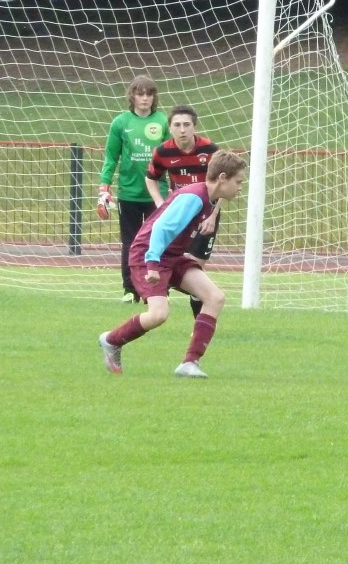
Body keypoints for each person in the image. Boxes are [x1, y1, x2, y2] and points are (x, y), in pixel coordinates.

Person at [97, 149, 248, 379]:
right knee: (158, 314)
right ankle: (111, 340)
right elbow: (160, 228)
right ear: (222, 178)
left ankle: (190, 363)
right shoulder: (194, 198)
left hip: (173, 256)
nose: (240, 187)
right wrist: (153, 264)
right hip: (148, 255)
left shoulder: (209, 197)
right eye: (238, 182)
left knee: (215, 297)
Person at [97, 75, 170, 303]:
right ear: (132, 96)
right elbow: (111, 157)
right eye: (140, 94)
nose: (145, 98)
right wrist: (104, 188)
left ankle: (157, 291)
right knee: (130, 242)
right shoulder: (120, 123)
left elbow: (171, 155)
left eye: (149, 94)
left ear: (154, 97)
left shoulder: (164, 121)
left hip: (157, 194)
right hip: (128, 193)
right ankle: (130, 290)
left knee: (158, 241)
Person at [145, 105, 221, 318]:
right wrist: (161, 204)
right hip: (179, 216)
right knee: (168, 259)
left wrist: (213, 216)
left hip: (205, 215)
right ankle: (158, 301)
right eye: (177, 125)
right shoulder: (163, 152)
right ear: (170, 128)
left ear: (194, 127)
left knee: (196, 267)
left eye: (187, 124)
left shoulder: (210, 150)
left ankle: (198, 321)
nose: (182, 129)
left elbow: (222, 184)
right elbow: (151, 178)